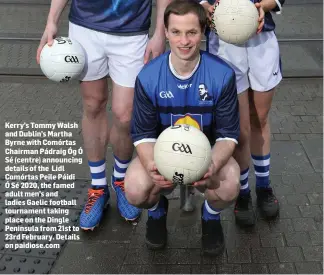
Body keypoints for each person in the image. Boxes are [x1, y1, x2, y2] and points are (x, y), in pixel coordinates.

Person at [36, 0, 172, 231]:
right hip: (85, 28)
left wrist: (160, 32)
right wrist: (51, 21)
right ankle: (98, 187)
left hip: (132, 31)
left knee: (125, 114)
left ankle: (119, 179)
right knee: (93, 104)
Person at [124, 0, 241, 255]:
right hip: (164, 154)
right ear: (165, 32)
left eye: (191, 32)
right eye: (176, 32)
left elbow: (228, 135)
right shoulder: (148, 76)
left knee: (231, 182)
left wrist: (212, 165)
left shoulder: (222, 75)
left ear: (203, 33)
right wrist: (151, 167)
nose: (184, 41)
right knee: (134, 188)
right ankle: (157, 213)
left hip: (206, 152)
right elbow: (142, 134)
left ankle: (210, 217)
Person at [200, 0, 284, 226]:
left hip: (261, 40)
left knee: (260, 119)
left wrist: (265, 6)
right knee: (239, 127)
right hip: (225, 39)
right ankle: (243, 191)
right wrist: (204, 5)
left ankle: (264, 185)